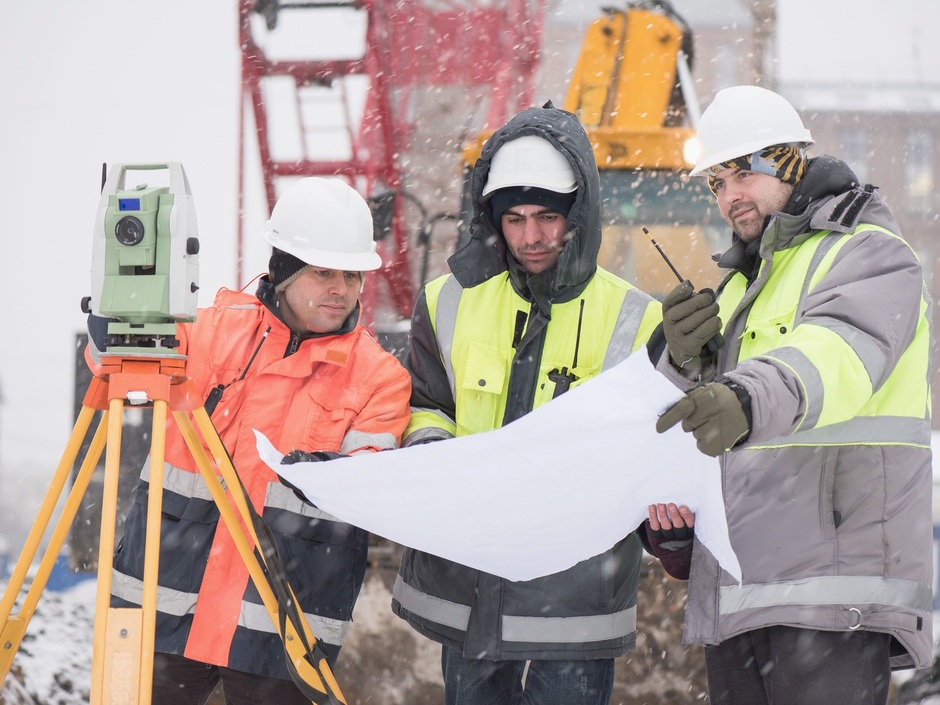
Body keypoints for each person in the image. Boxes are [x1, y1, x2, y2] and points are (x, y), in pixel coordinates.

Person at [391, 102, 694, 705]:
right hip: (471, 584)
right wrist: (434, 455)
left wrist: (674, 531)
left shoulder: (638, 318)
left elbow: (657, 451)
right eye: (517, 219)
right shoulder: (445, 302)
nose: (532, 237)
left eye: (548, 217)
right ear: (492, 219)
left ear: (577, 215)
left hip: (577, 601)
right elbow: (426, 403)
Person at [653, 85, 934, 704]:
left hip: (833, 591)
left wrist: (744, 399)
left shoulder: (872, 255)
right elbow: (684, 420)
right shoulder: (738, 287)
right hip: (743, 592)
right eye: (716, 185)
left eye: (740, 176)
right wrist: (672, 358)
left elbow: (834, 354)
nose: (728, 198)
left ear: (786, 160)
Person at [87, 177, 412, 705]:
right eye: (323, 272)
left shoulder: (380, 378)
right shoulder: (208, 330)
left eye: (352, 275)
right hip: (166, 602)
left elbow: (368, 482)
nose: (341, 289)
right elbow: (116, 367)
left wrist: (324, 472)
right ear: (283, 270)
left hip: (282, 625)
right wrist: (113, 332)